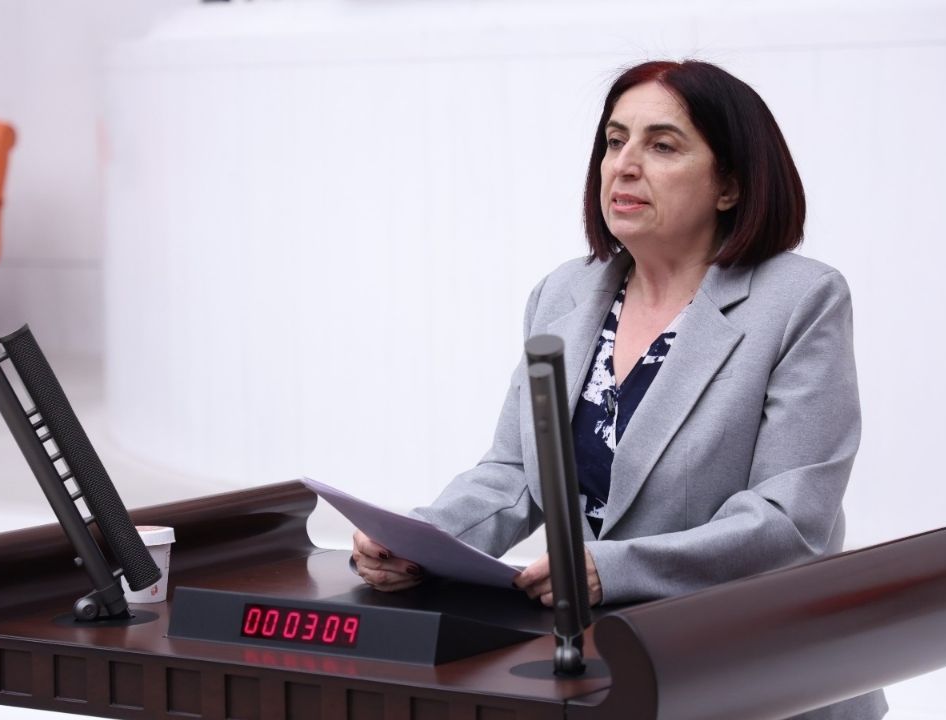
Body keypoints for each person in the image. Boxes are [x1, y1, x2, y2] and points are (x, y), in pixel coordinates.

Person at [351, 60, 887, 719]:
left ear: (729, 186)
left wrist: (617, 568)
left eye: (662, 146)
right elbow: (516, 474)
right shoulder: (562, 293)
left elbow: (789, 521)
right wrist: (421, 540)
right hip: (607, 665)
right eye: (614, 140)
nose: (624, 165)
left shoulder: (800, 300)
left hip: (756, 674)